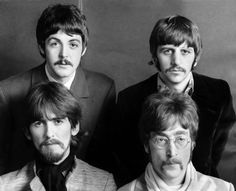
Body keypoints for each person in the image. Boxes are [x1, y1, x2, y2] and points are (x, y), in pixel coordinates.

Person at [113, 15, 236, 185]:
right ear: (155, 55)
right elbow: (126, 160)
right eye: (167, 51)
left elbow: (218, 153)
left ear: (196, 56)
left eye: (185, 52)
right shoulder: (129, 99)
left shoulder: (218, 92)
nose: (176, 61)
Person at [0, 4, 116, 174]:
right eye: (55, 43)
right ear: (41, 47)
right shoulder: (8, 92)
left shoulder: (103, 89)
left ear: (83, 49)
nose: (64, 55)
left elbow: (103, 156)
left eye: (73, 44)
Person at [0, 82, 117, 191]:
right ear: (28, 133)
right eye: (38, 123)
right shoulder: (4, 185)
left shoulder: (104, 184)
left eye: (58, 121)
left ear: (74, 127)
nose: (49, 134)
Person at [118, 90, 234, 191]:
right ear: (146, 145)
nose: (172, 152)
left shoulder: (224, 189)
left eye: (180, 139)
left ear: (192, 143)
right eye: (161, 140)